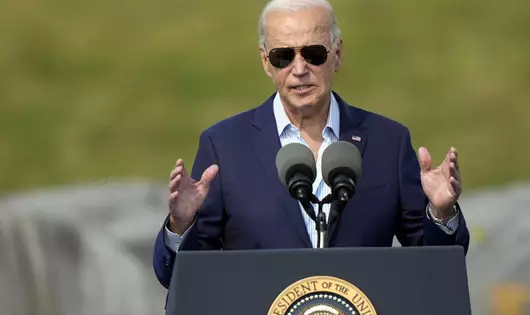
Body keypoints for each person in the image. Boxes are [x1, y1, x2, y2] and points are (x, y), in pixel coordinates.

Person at [152, 0, 470, 289]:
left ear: (338, 54)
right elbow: (181, 278)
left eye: (313, 54)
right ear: (265, 61)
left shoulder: (389, 142)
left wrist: (441, 214)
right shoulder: (224, 146)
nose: (299, 69)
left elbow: (433, 266)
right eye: (283, 56)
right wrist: (180, 226)